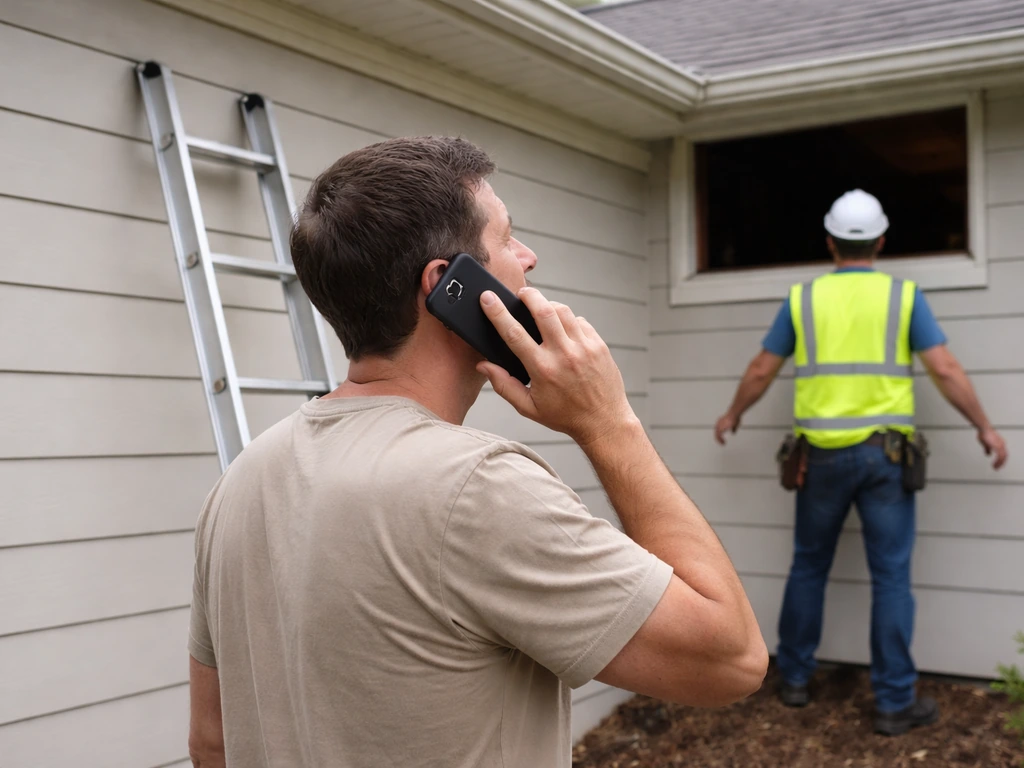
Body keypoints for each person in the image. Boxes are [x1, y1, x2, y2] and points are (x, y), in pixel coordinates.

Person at [187, 136, 768, 768]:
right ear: (449, 287)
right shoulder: (475, 487)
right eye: (507, 239)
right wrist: (609, 424)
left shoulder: (239, 482)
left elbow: (211, 742)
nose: (529, 258)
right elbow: (731, 661)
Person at [713, 189, 1009, 736]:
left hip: (820, 461)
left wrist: (734, 413)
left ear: (830, 242)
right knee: (891, 577)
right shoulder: (903, 297)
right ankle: (894, 703)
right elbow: (945, 368)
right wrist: (984, 427)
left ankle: (795, 679)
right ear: (881, 241)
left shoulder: (803, 300)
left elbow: (760, 369)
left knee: (809, 566)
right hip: (885, 460)